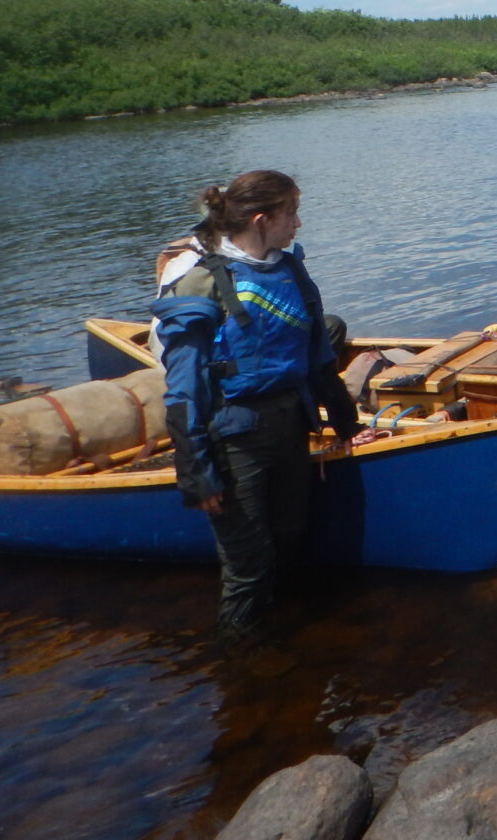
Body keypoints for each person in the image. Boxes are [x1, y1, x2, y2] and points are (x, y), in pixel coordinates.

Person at [150, 170, 362, 639]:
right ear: (263, 219)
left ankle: (289, 652)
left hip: (289, 425)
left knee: (291, 538)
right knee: (248, 566)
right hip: (236, 438)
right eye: (292, 212)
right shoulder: (202, 283)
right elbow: (183, 389)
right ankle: (240, 665)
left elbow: (319, 360)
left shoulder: (291, 270)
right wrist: (196, 475)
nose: (299, 223)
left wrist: (348, 428)